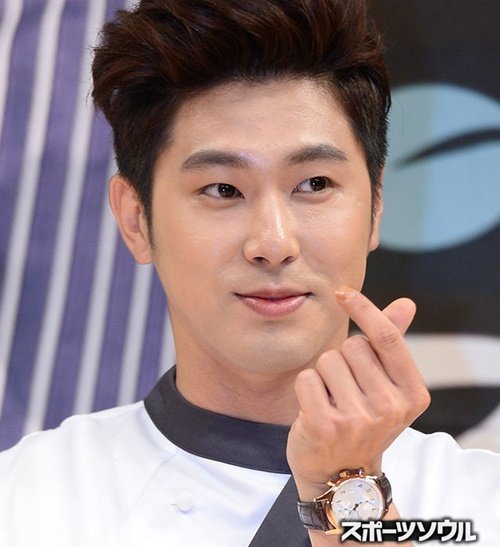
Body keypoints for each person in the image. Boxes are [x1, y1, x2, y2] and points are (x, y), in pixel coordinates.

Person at [0, 1, 499, 545]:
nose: (274, 243)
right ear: (136, 219)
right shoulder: (25, 501)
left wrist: (346, 482)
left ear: (376, 205)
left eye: (314, 184)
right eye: (222, 190)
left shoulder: (477, 505)